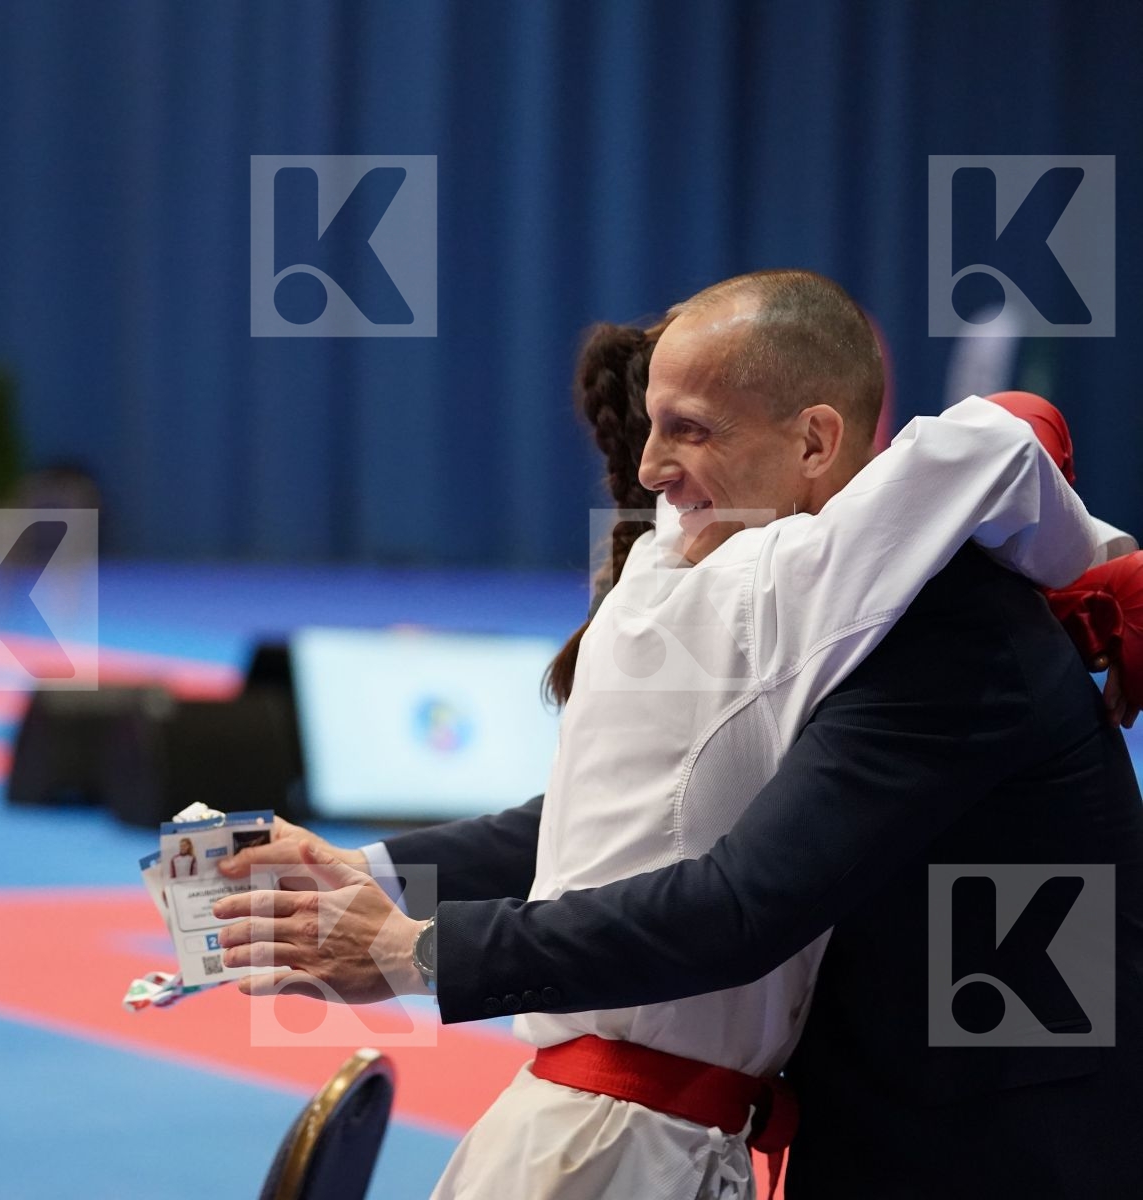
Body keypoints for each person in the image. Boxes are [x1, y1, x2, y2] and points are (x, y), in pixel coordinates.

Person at [215, 272, 1142, 1196]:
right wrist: (366, 874)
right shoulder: (779, 600)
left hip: (1003, 1146)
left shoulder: (943, 628)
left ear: (816, 441)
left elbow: (742, 904)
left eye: (690, 430)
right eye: (655, 427)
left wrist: (416, 951)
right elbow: (649, 820)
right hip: (886, 1111)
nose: (653, 470)